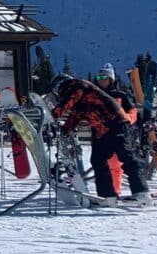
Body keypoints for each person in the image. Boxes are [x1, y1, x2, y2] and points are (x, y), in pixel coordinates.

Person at [50, 73, 150, 206]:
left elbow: (68, 102)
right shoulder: (81, 100)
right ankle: (107, 196)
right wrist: (63, 131)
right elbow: (74, 117)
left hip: (116, 123)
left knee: (126, 156)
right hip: (102, 131)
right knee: (98, 160)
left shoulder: (78, 86)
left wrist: (51, 116)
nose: (59, 96)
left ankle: (142, 193)